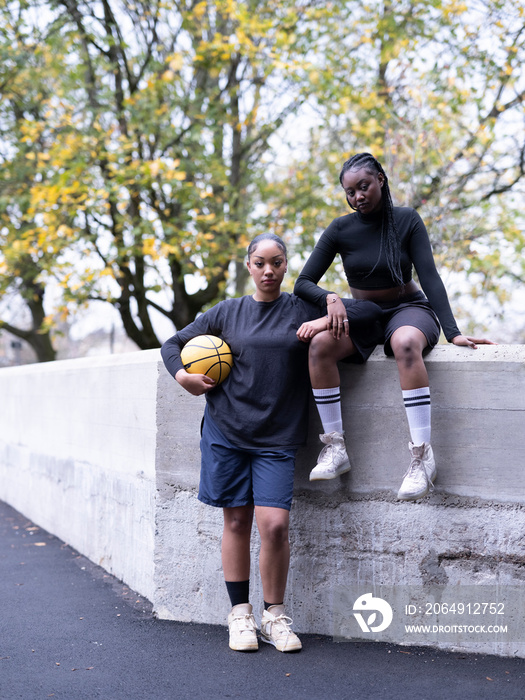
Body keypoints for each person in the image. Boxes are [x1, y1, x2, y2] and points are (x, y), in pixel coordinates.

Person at [161, 233, 381, 653]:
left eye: (277, 263)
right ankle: (239, 615)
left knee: (275, 526)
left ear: (286, 265)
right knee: (237, 522)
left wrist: (330, 304)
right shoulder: (228, 312)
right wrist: (183, 377)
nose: (268, 271)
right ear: (248, 265)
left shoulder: (301, 306)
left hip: (277, 438)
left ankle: (275, 616)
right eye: (260, 263)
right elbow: (173, 344)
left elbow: (371, 313)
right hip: (226, 433)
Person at [294, 152, 495, 501]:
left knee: (404, 344)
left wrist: (453, 331)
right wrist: (330, 297)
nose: (357, 196)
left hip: (408, 309)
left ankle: (421, 457)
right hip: (364, 315)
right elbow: (303, 282)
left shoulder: (406, 220)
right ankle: (335, 447)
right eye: (350, 191)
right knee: (320, 346)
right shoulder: (340, 229)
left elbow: (430, 277)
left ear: (380, 181)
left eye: (364, 187)